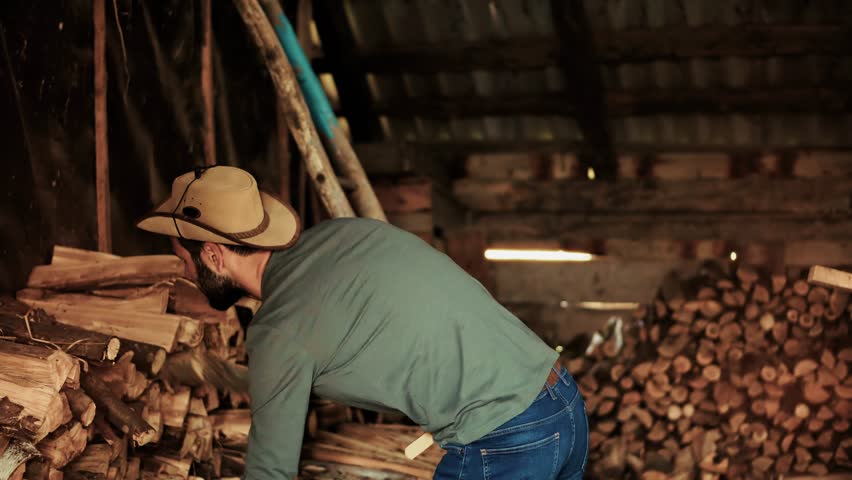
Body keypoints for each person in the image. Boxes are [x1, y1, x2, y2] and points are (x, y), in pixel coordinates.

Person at [137, 166, 589, 480]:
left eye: (184, 259)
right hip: (563, 404)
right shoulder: (342, 236)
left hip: (506, 438)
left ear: (214, 256)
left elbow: (271, 470)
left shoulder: (278, 330)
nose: (182, 273)